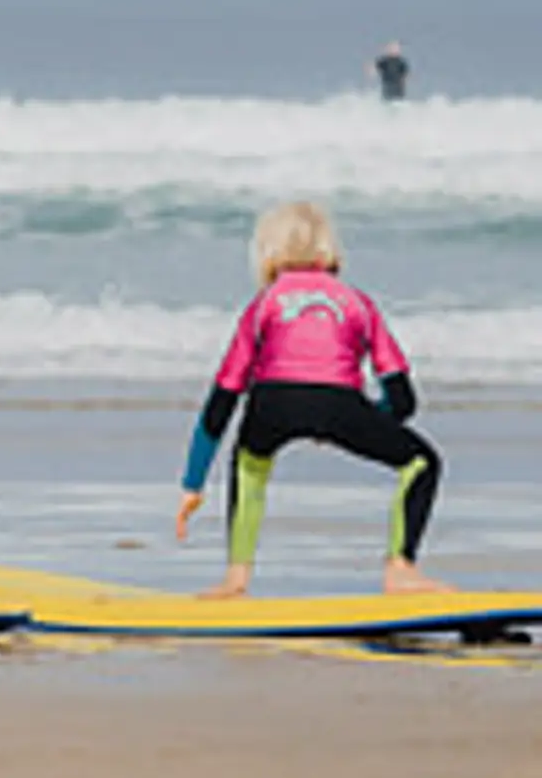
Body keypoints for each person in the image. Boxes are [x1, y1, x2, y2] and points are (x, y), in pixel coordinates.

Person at [174, 201, 446, 598]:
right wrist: (359, 420)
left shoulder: (263, 305)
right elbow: (403, 400)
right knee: (422, 462)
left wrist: (193, 483)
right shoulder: (358, 304)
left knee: (249, 465)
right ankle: (400, 569)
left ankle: (236, 577)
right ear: (329, 252)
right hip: (341, 402)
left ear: (269, 254)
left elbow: (224, 395)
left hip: (272, 403)